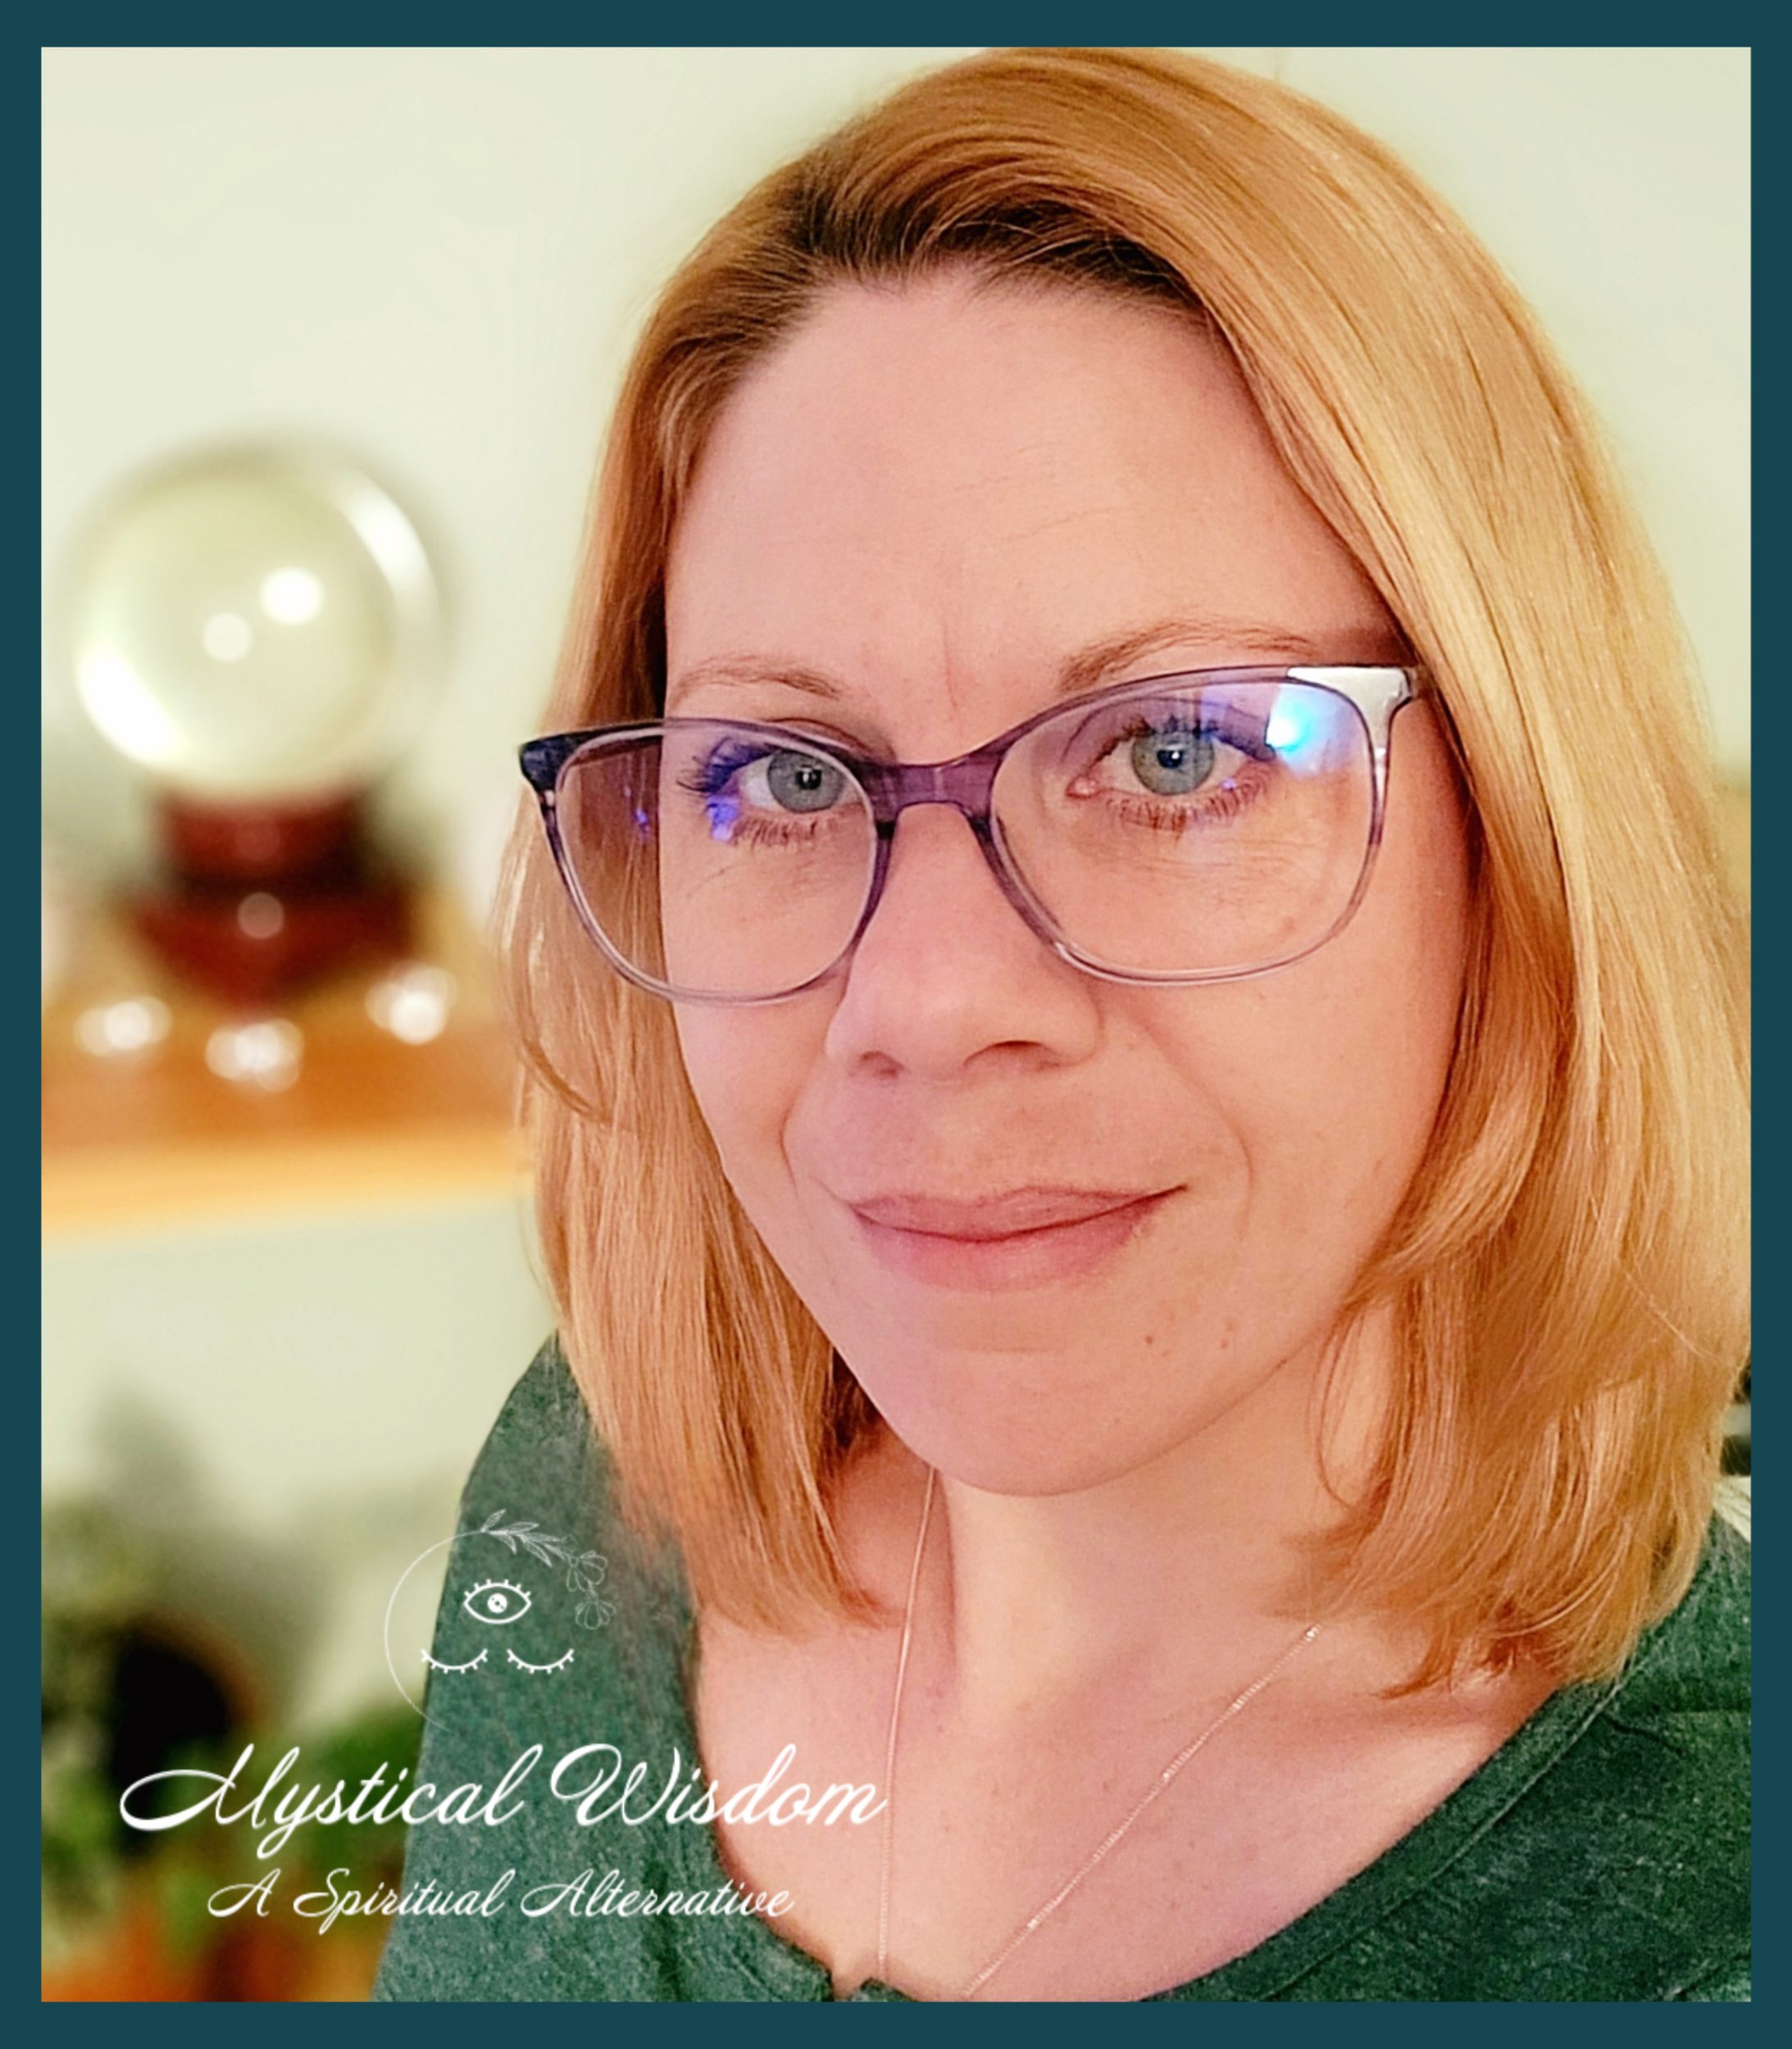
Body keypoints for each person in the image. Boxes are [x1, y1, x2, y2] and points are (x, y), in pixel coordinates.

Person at [375, 48, 1749, 2001]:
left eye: (1176, 750)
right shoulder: (596, 1493)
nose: (925, 1005)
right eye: (778, 775)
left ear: (1519, 839)